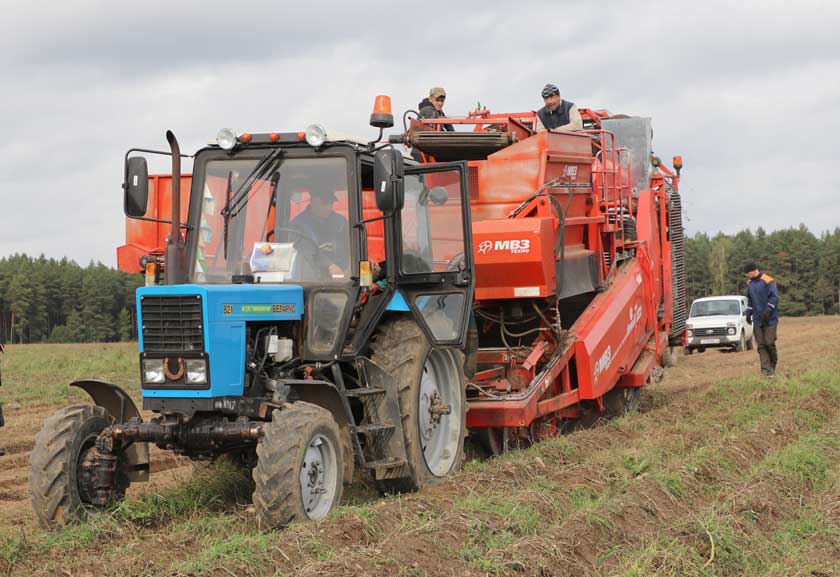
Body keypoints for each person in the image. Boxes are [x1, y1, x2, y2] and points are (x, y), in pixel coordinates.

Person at [289, 188, 350, 280]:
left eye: (330, 204)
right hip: (312, 277)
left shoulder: (340, 221)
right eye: (324, 204)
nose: (329, 208)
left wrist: (349, 268)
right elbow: (305, 249)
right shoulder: (298, 224)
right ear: (313, 202)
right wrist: (329, 265)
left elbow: (350, 246)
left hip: (341, 276)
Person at [744, 262, 779, 377]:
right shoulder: (750, 284)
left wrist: (768, 309)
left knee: (769, 342)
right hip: (758, 320)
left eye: (748, 273)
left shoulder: (768, 280)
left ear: (754, 270)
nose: (747, 276)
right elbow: (750, 300)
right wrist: (748, 313)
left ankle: (773, 364)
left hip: (770, 319)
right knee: (761, 345)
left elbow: (774, 297)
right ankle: (765, 370)